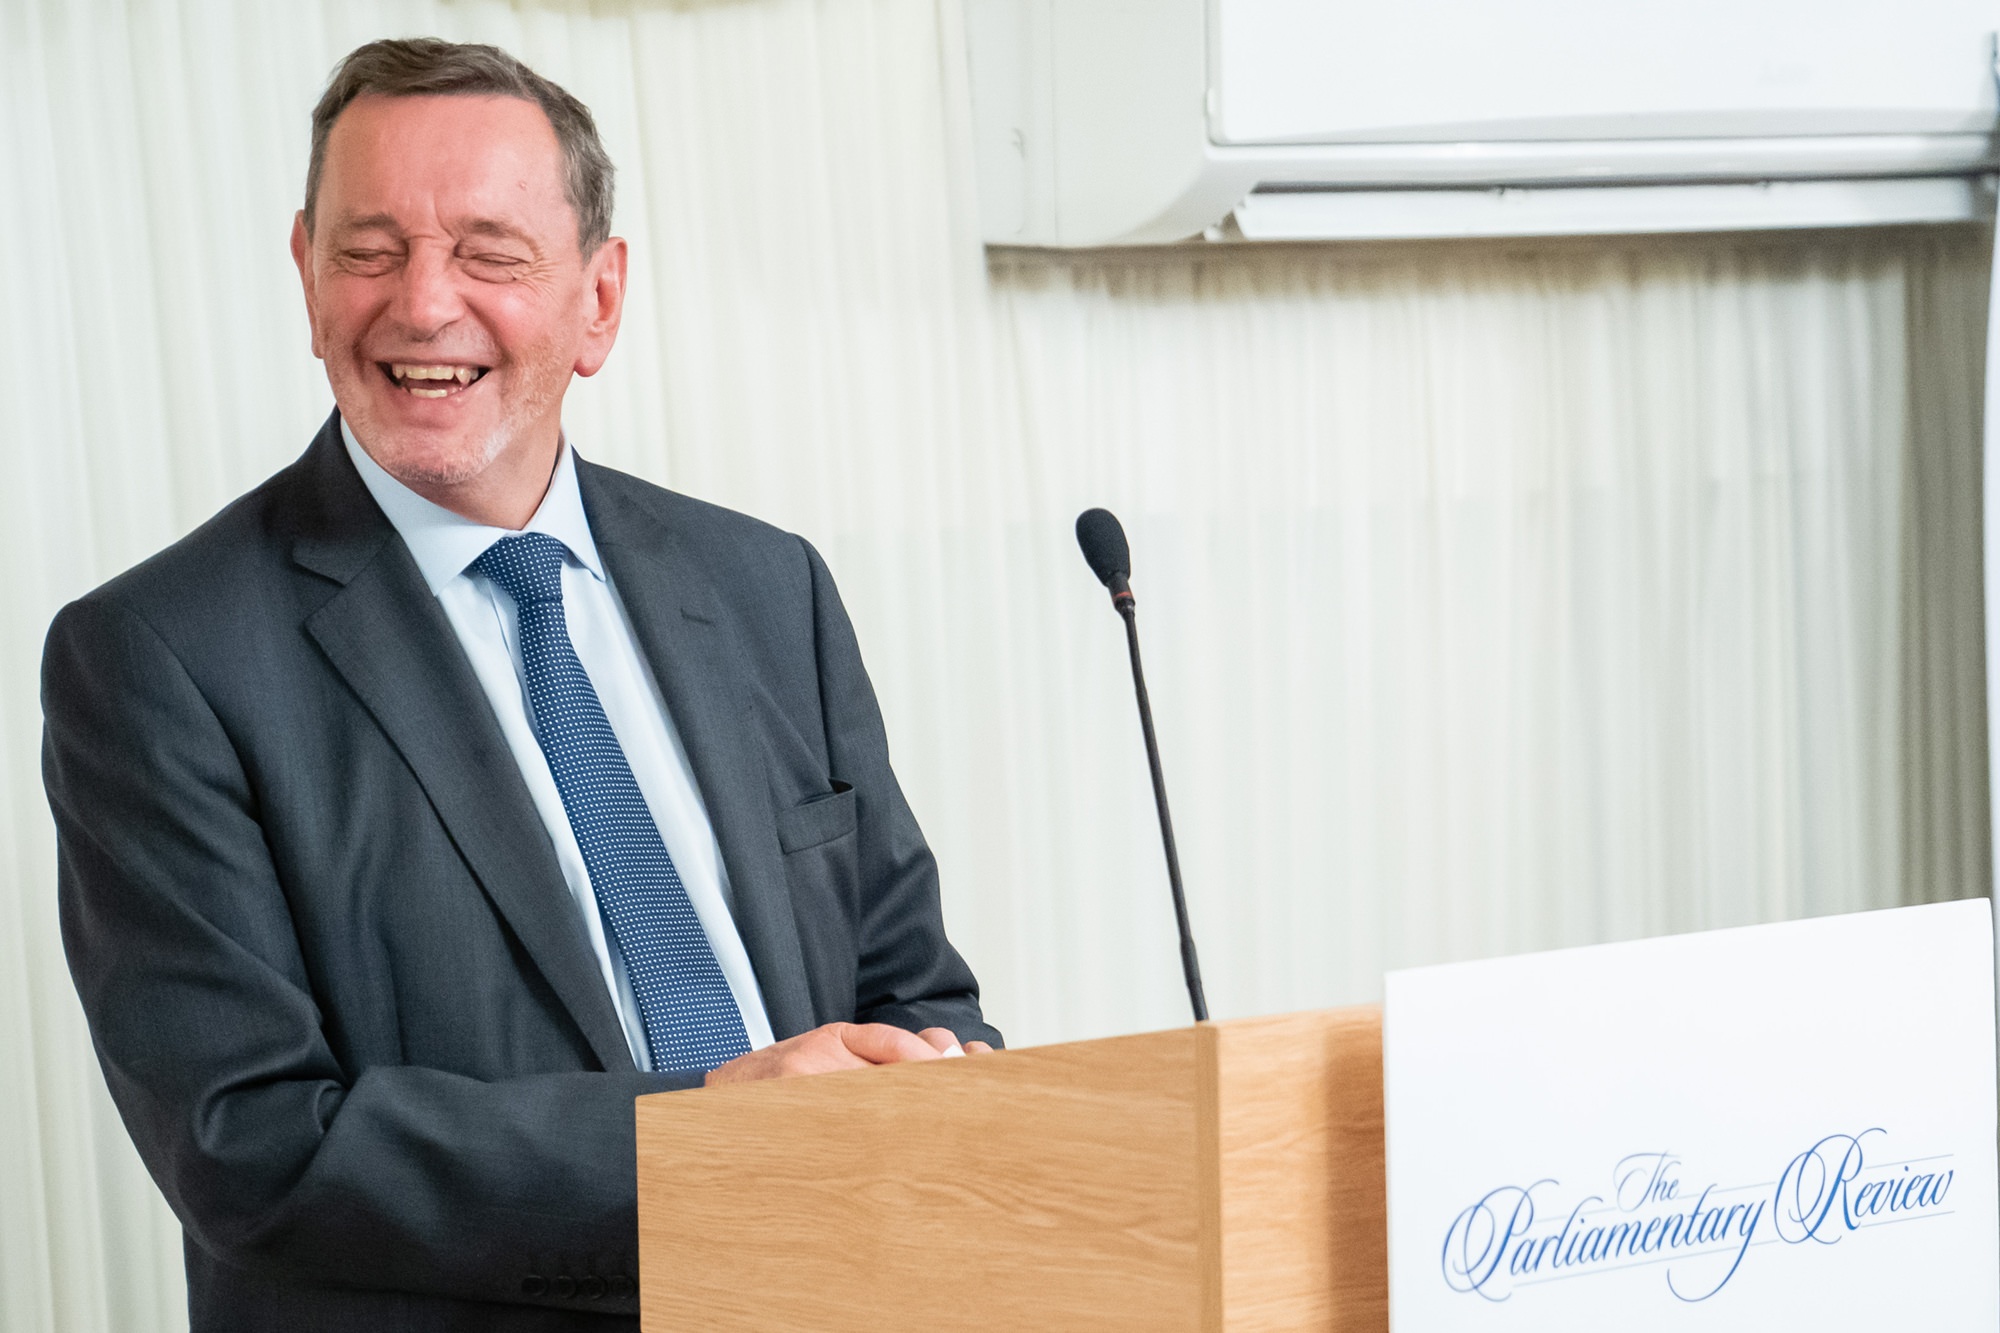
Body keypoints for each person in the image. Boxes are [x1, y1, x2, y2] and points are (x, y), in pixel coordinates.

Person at [40, 37, 999, 1332]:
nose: (424, 304)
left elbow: (917, 991)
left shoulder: (769, 588)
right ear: (307, 278)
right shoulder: (158, 658)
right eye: (370, 248)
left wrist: (945, 1095)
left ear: (600, 301)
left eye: (490, 252)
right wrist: (704, 1140)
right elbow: (251, 1141)